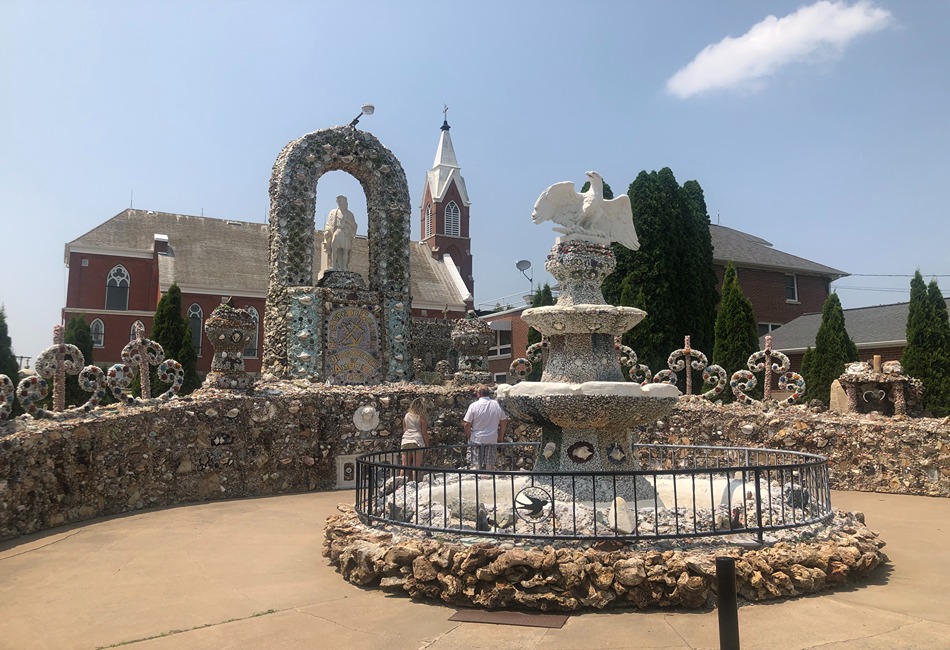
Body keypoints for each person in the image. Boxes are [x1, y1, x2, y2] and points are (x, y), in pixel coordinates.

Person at [463, 385, 508, 471]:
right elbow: (504, 421)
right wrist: (500, 436)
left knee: (476, 464)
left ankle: (477, 475)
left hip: (477, 438)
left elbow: (466, 423)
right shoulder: (496, 405)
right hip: (492, 438)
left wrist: (468, 435)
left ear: (478, 394)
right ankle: (489, 475)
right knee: (489, 464)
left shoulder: (473, 406)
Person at [323, 195, 357, 271]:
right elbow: (328, 224)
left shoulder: (350, 214)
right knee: (334, 248)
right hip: (337, 232)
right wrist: (327, 230)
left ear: (345, 202)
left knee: (345, 250)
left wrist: (348, 221)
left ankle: (344, 266)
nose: (339, 203)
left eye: (340, 201)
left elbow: (354, 225)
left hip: (345, 233)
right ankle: (333, 265)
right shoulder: (333, 212)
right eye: (338, 201)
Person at [400, 397, 429, 479]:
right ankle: (415, 483)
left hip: (406, 440)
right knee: (416, 466)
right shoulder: (421, 418)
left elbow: (404, 429)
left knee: (404, 465)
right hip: (417, 441)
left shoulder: (406, 416)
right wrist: (427, 446)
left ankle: (399, 482)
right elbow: (424, 433)